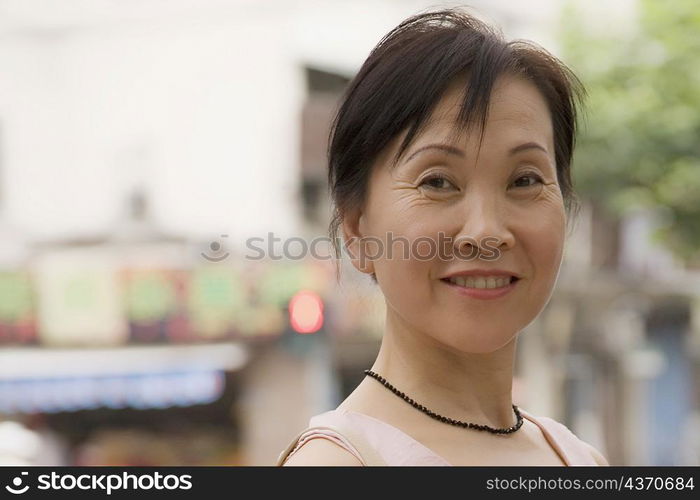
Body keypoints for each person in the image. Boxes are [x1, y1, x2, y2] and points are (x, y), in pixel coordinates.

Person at [278, 7, 609, 466]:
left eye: (525, 180)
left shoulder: (579, 459)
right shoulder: (339, 464)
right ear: (357, 230)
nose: (486, 232)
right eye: (437, 182)